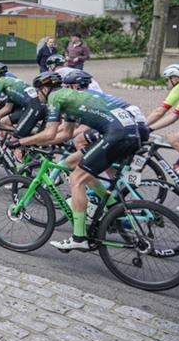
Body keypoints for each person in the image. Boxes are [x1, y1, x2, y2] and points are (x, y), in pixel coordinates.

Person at [15, 72, 141, 251]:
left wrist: (21, 142)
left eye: (38, 91)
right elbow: (65, 134)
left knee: (76, 179)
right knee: (73, 162)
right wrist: (37, 142)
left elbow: (50, 133)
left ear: (45, 88)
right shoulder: (70, 97)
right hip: (129, 132)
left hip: (116, 134)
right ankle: (114, 211)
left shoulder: (55, 97)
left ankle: (79, 237)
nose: (38, 96)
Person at [147, 64, 179, 188]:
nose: (167, 83)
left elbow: (160, 111)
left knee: (174, 140)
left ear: (175, 78)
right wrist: (150, 128)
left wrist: (141, 125)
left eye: (167, 79)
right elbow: (174, 116)